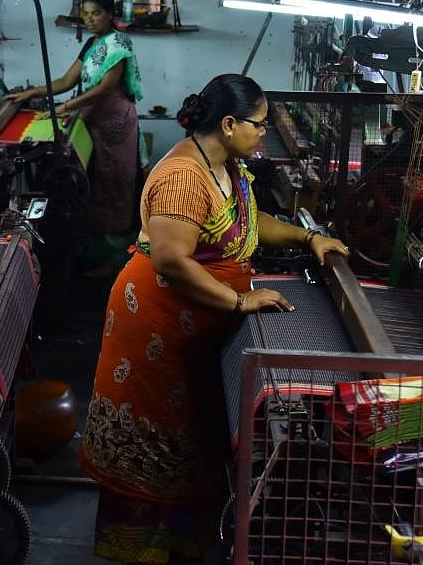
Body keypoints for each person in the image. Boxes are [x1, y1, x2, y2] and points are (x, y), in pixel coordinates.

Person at [78, 73, 349, 564]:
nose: (263, 133)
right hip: (158, 327)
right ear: (228, 124)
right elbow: (171, 261)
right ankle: (144, 551)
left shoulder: (225, 166)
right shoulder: (183, 177)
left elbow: (249, 221)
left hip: (196, 328)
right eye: (258, 124)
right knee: (156, 440)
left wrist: (308, 238)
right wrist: (240, 302)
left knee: (190, 436)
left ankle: (183, 544)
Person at [7, 0, 144, 241]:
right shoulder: (92, 44)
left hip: (115, 122)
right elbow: (67, 80)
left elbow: (106, 88)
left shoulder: (119, 43)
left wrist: (66, 107)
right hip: (95, 117)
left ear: (110, 14)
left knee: (115, 179)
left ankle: (117, 240)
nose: (89, 19)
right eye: (85, 14)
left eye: (96, 13)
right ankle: (97, 234)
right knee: (97, 178)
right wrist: (32, 92)